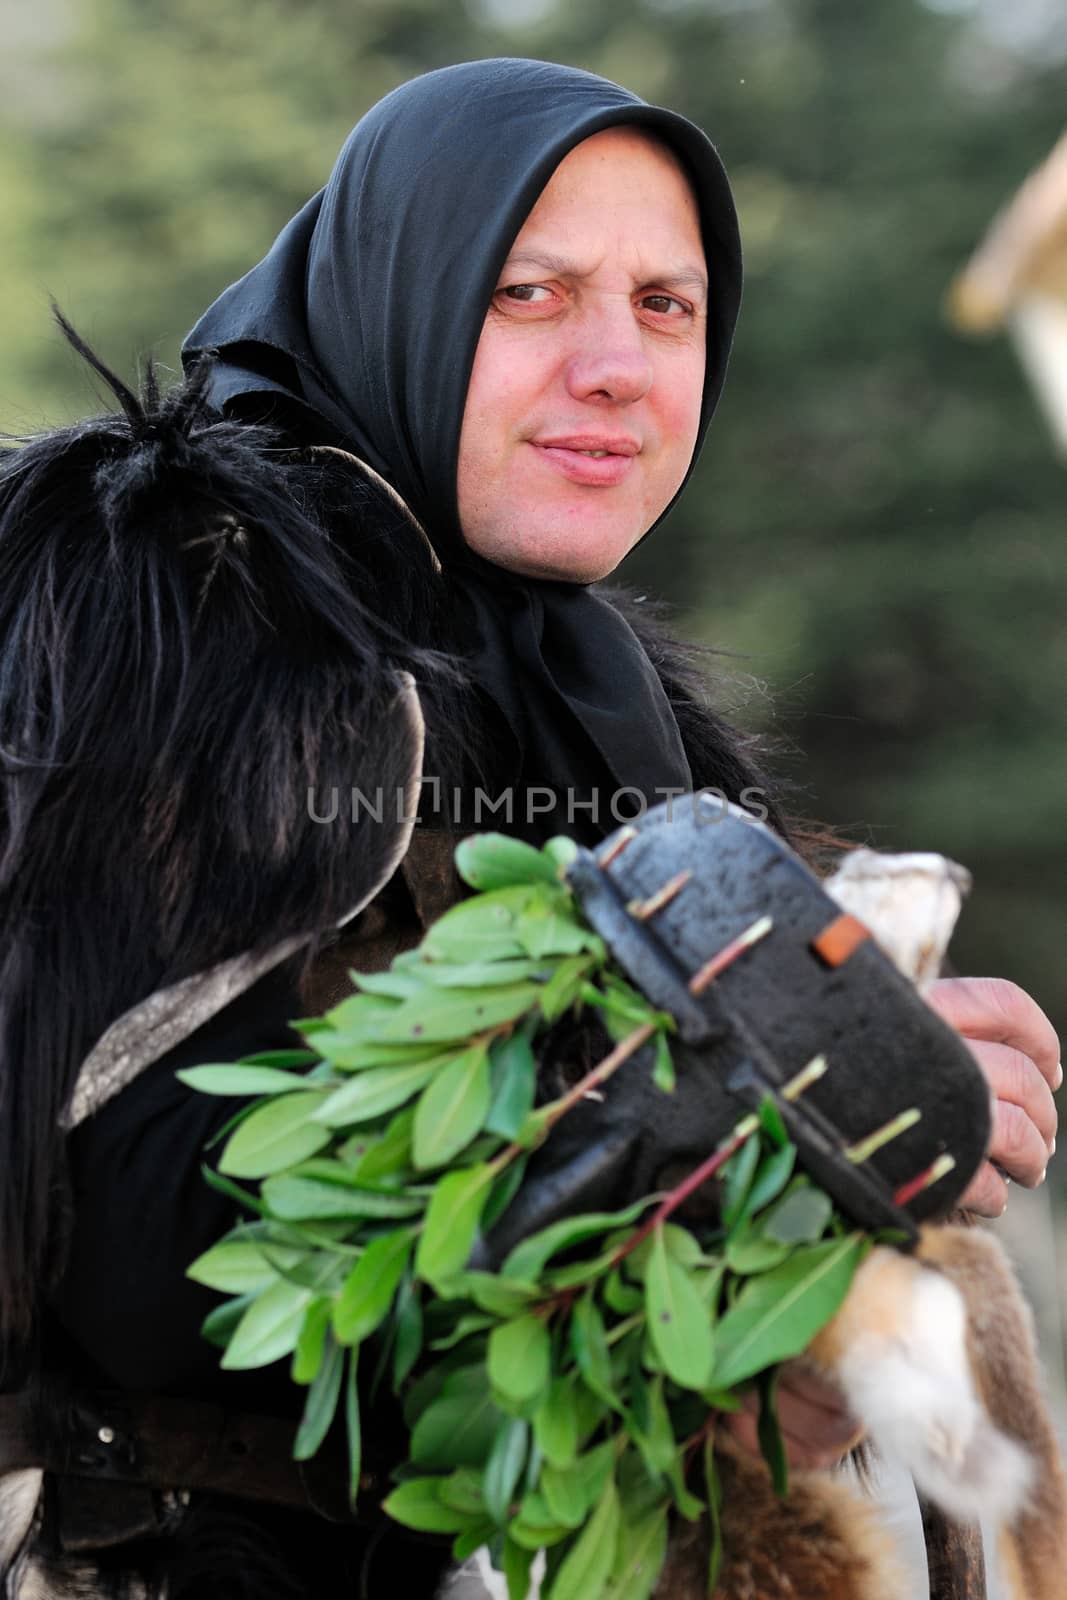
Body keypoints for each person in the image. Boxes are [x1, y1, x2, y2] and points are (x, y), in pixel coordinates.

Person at [0, 57, 1058, 1598]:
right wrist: (744, 1096)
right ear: (403, 290)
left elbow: (583, 1347)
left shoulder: (609, 700)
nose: (620, 366)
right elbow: (145, 1251)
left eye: (667, 306)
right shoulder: (194, 616)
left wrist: (862, 1152)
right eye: (530, 295)